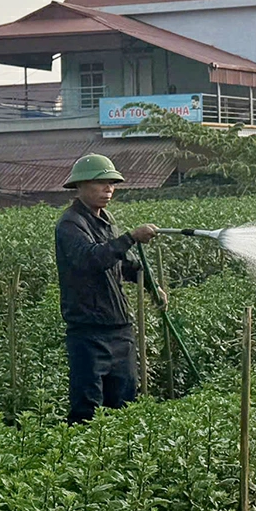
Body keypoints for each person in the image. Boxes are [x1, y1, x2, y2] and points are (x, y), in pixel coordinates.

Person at [55, 153, 165, 423]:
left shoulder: (106, 220)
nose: (108, 190)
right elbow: (91, 259)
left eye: (112, 184)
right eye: (100, 183)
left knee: (125, 402)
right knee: (88, 409)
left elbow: (121, 264)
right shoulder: (70, 224)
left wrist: (151, 285)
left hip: (119, 329)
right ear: (79, 187)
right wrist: (130, 238)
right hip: (88, 331)